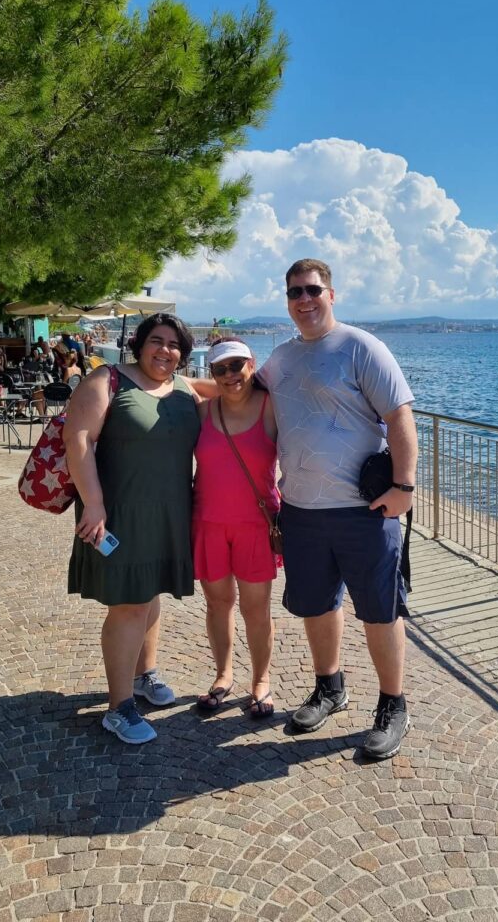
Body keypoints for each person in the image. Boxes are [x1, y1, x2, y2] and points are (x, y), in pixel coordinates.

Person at [258, 259, 418, 760]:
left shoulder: (361, 347)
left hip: (363, 509)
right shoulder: (281, 359)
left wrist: (405, 486)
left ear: (332, 294)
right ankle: (330, 687)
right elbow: (238, 397)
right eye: (294, 293)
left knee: (380, 608)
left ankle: (393, 705)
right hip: (302, 509)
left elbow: (399, 416)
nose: (303, 300)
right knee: (317, 604)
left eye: (312, 290)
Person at [63, 312, 202, 744]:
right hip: (116, 513)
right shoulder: (107, 380)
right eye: (157, 340)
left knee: (150, 592)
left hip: (168, 513)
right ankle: (119, 706)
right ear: (139, 344)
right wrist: (94, 504)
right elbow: (78, 440)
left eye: (175, 344)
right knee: (128, 604)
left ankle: (145, 674)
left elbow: (241, 389)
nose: (166, 350)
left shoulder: (184, 388)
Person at [192, 337, 279, 718]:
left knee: (256, 608)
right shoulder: (202, 411)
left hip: (256, 525)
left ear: (251, 364)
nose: (230, 375)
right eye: (220, 369)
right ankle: (223, 675)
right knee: (218, 604)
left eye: (237, 366)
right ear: (211, 373)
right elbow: (179, 384)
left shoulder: (271, 407)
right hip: (208, 522)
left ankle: (261, 679)